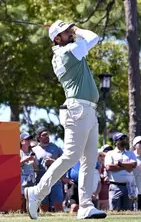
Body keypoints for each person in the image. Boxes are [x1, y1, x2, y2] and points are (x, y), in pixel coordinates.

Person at [24, 21, 106, 220]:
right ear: (56, 39)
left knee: (90, 159)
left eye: (70, 29)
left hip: (87, 109)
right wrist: (77, 30)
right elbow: (94, 37)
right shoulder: (68, 51)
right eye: (65, 31)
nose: (70, 32)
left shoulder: (66, 50)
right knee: (71, 156)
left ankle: (85, 205)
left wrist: (70, 32)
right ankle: (37, 192)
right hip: (78, 109)